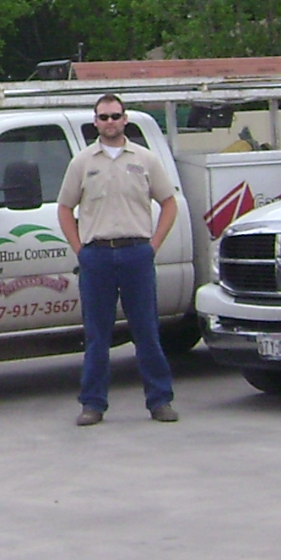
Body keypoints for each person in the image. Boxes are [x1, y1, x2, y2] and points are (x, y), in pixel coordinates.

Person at [56, 94, 182, 424]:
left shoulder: (145, 160)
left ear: (125, 119)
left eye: (115, 116)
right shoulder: (82, 163)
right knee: (97, 335)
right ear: (95, 122)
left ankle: (160, 400)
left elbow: (169, 203)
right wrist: (80, 250)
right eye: (103, 117)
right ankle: (92, 404)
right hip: (96, 256)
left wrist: (152, 245)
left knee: (146, 331)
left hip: (136, 253)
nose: (110, 122)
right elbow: (65, 208)